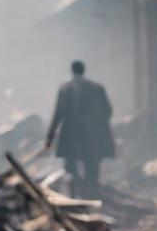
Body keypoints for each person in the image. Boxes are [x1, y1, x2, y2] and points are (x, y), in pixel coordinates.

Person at [45, 60, 114, 198]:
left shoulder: (64, 89)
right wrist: (95, 124)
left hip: (71, 136)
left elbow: (58, 114)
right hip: (91, 135)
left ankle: (75, 195)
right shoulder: (97, 88)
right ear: (84, 70)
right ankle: (91, 193)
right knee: (92, 166)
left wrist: (50, 137)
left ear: (72, 71)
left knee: (71, 167)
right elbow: (108, 111)